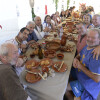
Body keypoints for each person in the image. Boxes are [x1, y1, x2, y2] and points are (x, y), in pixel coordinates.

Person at [70, 28, 100, 100]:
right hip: (80, 75)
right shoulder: (87, 46)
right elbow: (80, 55)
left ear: (99, 40)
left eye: (93, 38)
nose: (89, 39)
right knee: (68, 72)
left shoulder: (96, 55)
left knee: (64, 89)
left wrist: (80, 67)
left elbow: (97, 79)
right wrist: (75, 59)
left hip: (87, 85)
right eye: (88, 37)